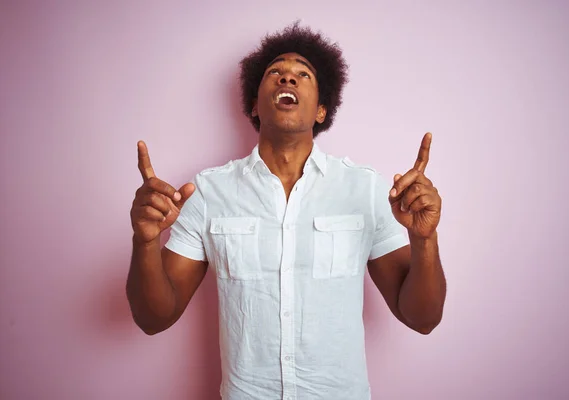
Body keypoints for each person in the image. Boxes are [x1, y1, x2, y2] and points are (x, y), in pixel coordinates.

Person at [127, 22, 446, 400]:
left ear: (322, 110)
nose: (287, 79)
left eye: (302, 75)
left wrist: (423, 239)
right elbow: (153, 318)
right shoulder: (208, 192)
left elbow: (423, 319)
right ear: (253, 104)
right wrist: (145, 241)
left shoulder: (366, 189)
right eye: (275, 72)